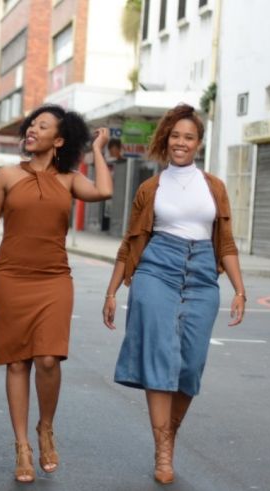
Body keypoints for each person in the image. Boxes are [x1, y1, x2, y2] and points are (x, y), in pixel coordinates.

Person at [0, 104, 113, 483]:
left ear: (59, 140)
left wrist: (97, 149)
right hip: (9, 278)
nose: (32, 130)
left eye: (42, 127)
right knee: (16, 364)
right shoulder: (6, 176)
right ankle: (22, 446)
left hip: (54, 279)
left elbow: (105, 190)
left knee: (47, 359)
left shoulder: (70, 180)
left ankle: (46, 427)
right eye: (32, 125)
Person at [102, 104, 246, 485]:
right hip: (156, 269)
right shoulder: (151, 188)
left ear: (198, 143)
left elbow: (225, 243)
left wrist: (240, 289)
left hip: (202, 274)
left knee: (190, 365)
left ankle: (170, 433)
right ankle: (162, 449)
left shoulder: (214, 187)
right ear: (166, 139)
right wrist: (112, 291)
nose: (181, 143)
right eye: (176, 136)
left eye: (189, 137)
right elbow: (131, 242)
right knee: (159, 358)